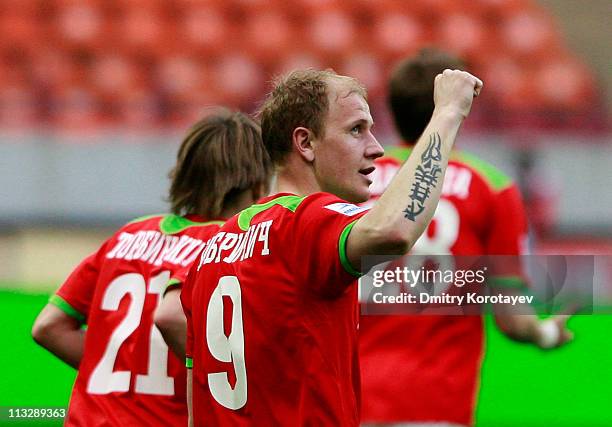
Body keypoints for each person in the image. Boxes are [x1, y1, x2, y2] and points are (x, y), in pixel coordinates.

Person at [182, 67, 483, 426]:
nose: (375, 148)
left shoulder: (211, 251)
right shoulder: (304, 222)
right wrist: (448, 113)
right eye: (356, 130)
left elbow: (193, 399)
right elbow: (393, 230)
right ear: (305, 143)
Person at [359, 49, 573, 427]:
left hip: (350, 401)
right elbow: (510, 315)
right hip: (437, 402)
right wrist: (545, 333)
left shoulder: (356, 183)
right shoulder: (491, 187)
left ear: (390, 111)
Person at [31, 108, 272, 426]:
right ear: (257, 188)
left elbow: (49, 327)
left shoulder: (127, 236)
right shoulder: (228, 248)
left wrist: (120, 373)